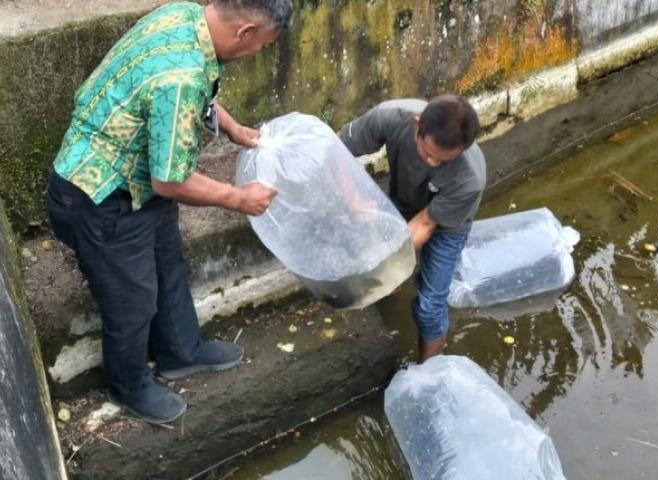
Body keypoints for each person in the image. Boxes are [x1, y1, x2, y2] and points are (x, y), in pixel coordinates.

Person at [46, 0, 293, 424]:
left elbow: (191, 101)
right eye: (263, 46)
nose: (258, 54)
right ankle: (129, 387)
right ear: (245, 31)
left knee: (167, 262)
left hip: (137, 178)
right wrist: (237, 198)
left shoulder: (186, 15)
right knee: (132, 301)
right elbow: (171, 181)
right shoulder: (181, 79)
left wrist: (231, 127)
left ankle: (181, 351)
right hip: (98, 195)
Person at [339, 95, 486, 363]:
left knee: (429, 306)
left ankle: (428, 372)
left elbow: (425, 224)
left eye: (443, 161)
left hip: (445, 224)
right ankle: (390, 290)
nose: (432, 163)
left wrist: (386, 260)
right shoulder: (390, 117)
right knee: (386, 271)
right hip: (403, 199)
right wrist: (353, 200)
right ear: (417, 126)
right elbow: (337, 148)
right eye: (428, 154)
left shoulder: (469, 179)